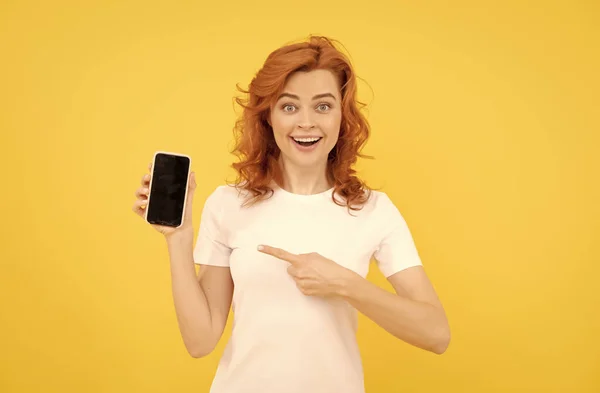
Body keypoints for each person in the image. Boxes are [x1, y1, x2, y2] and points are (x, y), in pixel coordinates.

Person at [132, 35, 450, 393]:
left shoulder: (374, 210)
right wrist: (179, 239)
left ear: (342, 117)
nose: (306, 122)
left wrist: (344, 284)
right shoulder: (228, 204)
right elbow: (200, 341)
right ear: (268, 118)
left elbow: (436, 334)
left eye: (323, 106)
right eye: (289, 107)